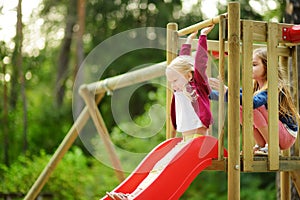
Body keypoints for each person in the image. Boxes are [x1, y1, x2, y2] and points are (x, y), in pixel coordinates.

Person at [106, 25, 215, 200]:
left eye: (174, 80)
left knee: (166, 167)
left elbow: (199, 63)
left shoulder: (196, 86)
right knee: (158, 166)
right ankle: (134, 195)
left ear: (188, 76)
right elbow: (183, 62)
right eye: (169, 80)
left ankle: (134, 196)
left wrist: (202, 37)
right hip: (185, 142)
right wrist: (187, 42)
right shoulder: (179, 90)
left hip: (197, 142)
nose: (172, 85)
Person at [209, 47, 299, 155]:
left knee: (250, 104)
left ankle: (272, 147)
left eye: (254, 65)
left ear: (267, 66)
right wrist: (204, 94)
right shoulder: (254, 88)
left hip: (286, 135)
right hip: (276, 133)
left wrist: (228, 91)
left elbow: (254, 102)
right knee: (239, 103)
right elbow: (234, 97)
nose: (249, 68)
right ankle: (261, 145)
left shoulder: (273, 87)